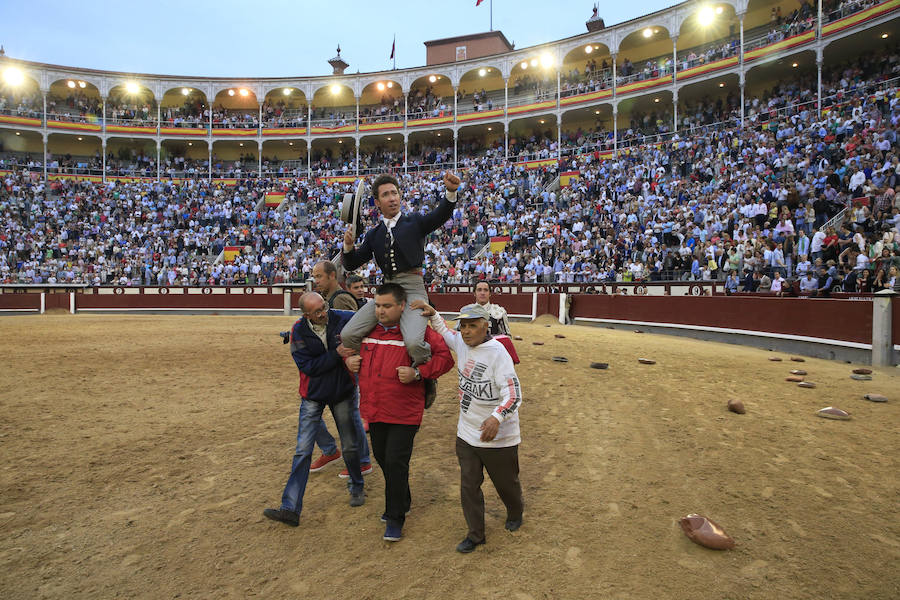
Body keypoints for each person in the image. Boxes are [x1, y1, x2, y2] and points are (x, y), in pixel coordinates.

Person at [343, 283, 454, 542]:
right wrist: (347, 360)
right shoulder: (366, 331)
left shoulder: (418, 333)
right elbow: (346, 351)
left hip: (405, 411)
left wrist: (418, 373)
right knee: (383, 458)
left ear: (402, 306)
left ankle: (395, 517)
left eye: (387, 306)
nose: (380, 311)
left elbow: (446, 359)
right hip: (375, 408)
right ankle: (403, 500)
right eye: (377, 306)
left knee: (394, 461)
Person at [412, 300, 524, 554]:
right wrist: (434, 314)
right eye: (463, 326)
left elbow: (513, 394)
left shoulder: (498, 353)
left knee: (506, 484)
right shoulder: (461, 342)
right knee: (468, 485)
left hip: (499, 437)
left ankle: (515, 510)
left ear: (486, 327)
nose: (466, 331)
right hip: (467, 432)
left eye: (472, 326)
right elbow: (446, 332)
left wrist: (496, 418)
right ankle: (476, 534)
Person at [340, 172, 461, 406]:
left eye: (394, 193)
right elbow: (352, 263)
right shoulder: (374, 234)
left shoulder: (414, 222)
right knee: (348, 335)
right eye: (386, 195)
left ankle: (425, 376)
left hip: (413, 288)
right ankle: (373, 368)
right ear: (377, 202)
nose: (392, 198)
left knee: (414, 343)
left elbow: (440, 215)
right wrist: (348, 246)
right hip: (387, 290)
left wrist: (451, 192)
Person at [263, 292, 365, 528]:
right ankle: (290, 508)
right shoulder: (298, 330)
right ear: (306, 315)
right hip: (315, 394)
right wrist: (337, 355)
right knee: (302, 450)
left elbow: (366, 320)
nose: (323, 313)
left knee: (350, 444)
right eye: (317, 311)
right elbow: (309, 367)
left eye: (324, 307)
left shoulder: (342, 317)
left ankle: (357, 486)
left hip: (341, 391)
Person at [309, 260, 373, 478]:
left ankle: (360, 460)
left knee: (347, 414)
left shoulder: (341, 299)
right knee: (313, 409)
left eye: (319, 276)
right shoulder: (326, 299)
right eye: (315, 276)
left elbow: (353, 332)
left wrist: (348, 358)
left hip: (343, 364)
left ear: (332, 276)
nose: (316, 280)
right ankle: (332, 451)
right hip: (331, 363)